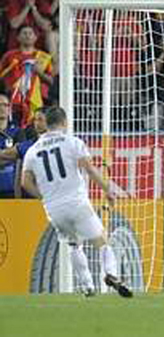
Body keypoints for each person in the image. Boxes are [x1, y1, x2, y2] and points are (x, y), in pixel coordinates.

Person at [20, 107, 132, 297]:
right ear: (64, 123)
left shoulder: (33, 150)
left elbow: (25, 182)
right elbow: (89, 169)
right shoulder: (72, 143)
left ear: (47, 124)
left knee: (73, 245)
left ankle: (87, 286)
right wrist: (108, 190)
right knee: (102, 241)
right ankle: (111, 274)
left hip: (53, 209)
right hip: (76, 202)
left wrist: (44, 197)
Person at [0, 25, 54, 128]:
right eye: (24, 33)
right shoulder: (9, 56)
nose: (27, 36)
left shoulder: (43, 57)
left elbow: (51, 81)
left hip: (34, 103)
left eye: (30, 33)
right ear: (18, 37)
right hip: (13, 102)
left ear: (35, 37)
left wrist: (39, 73)